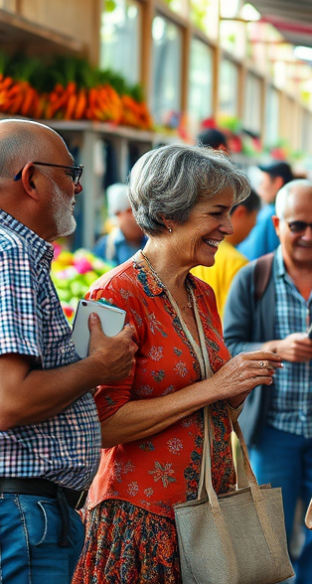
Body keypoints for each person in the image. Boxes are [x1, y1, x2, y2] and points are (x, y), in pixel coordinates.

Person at [71, 144, 282, 583]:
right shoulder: (110, 296)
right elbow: (98, 424)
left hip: (208, 512)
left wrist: (236, 388)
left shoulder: (201, 293)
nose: (228, 226)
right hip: (139, 520)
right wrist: (214, 388)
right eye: (216, 213)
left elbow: (209, 410)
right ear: (170, 214)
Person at [0, 119, 137, 583]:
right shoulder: (11, 253)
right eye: (69, 172)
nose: (77, 185)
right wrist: (100, 364)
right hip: (24, 512)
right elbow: (10, 401)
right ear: (31, 178)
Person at [224, 180, 312, 584]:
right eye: (298, 225)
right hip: (272, 430)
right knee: (271, 536)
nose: (308, 236)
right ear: (277, 223)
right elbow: (228, 347)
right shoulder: (253, 279)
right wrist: (276, 348)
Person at [190, 188, 260, 317]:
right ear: (240, 213)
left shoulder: (191, 252)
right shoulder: (237, 263)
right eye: (254, 220)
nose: (253, 226)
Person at [238, 160, 294, 260]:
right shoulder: (274, 212)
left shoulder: (271, 214)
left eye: (262, 181)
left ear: (277, 182)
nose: (260, 186)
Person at [93, 183, 147, 265]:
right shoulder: (105, 247)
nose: (141, 216)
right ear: (118, 214)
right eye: (131, 211)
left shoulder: (152, 244)